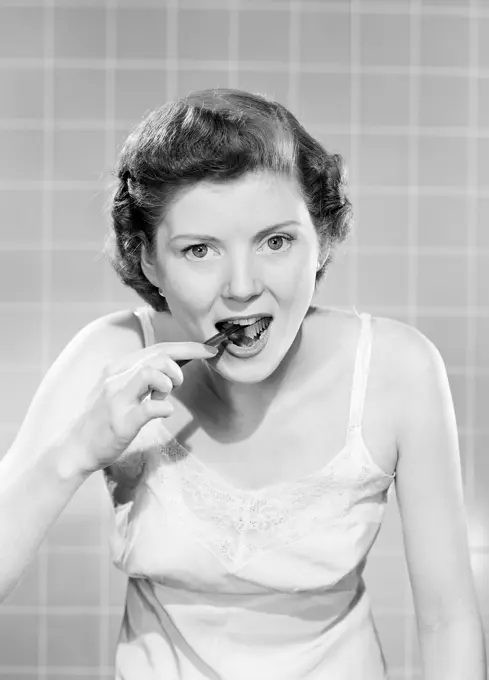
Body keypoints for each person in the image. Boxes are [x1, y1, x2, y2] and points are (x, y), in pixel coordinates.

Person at [0, 88, 485, 680]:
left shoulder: (398, 371)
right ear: (149, 260)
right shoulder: (112, 356)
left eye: (276, 241)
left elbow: (447, 620)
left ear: (323, 240)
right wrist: (72, 455)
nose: (241, 285)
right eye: (200, 249)